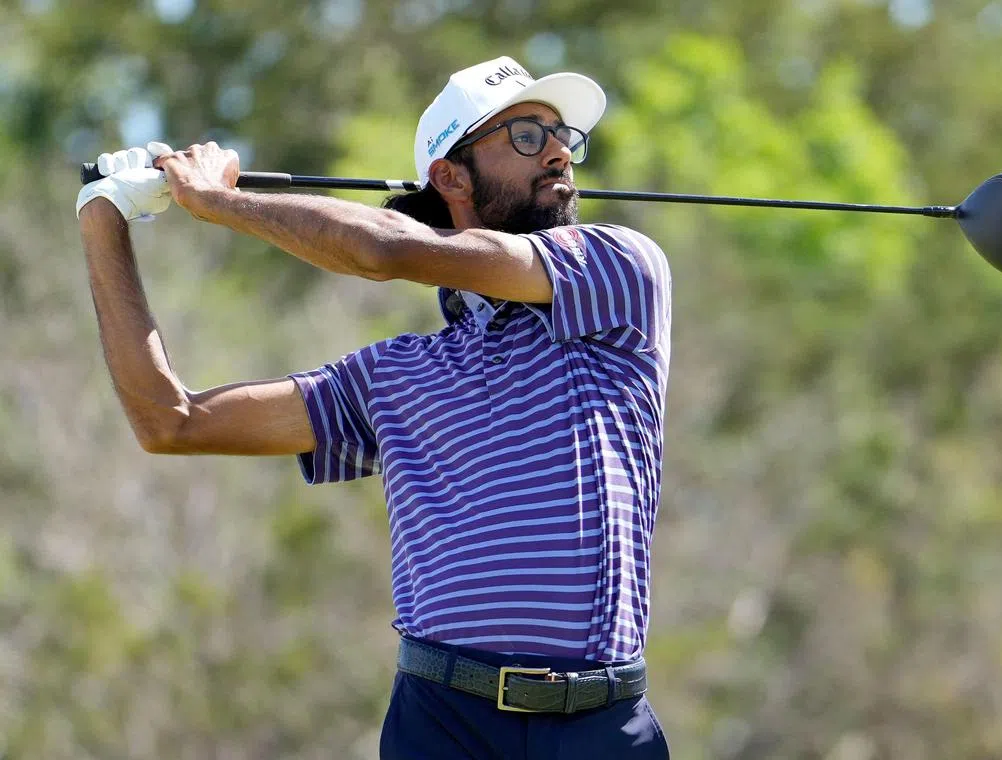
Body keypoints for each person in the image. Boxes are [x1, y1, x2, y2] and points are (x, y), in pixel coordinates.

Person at [76, 56, 671, 759]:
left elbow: (382, 249)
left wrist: (224, 203)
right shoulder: (395, 375)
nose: (557, 152)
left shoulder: (617, 272)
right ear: (450, 176)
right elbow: (170, 423)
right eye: (524, 135)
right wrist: (103, 219)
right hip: (443, 724)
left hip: (601, 725)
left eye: (562, 135)